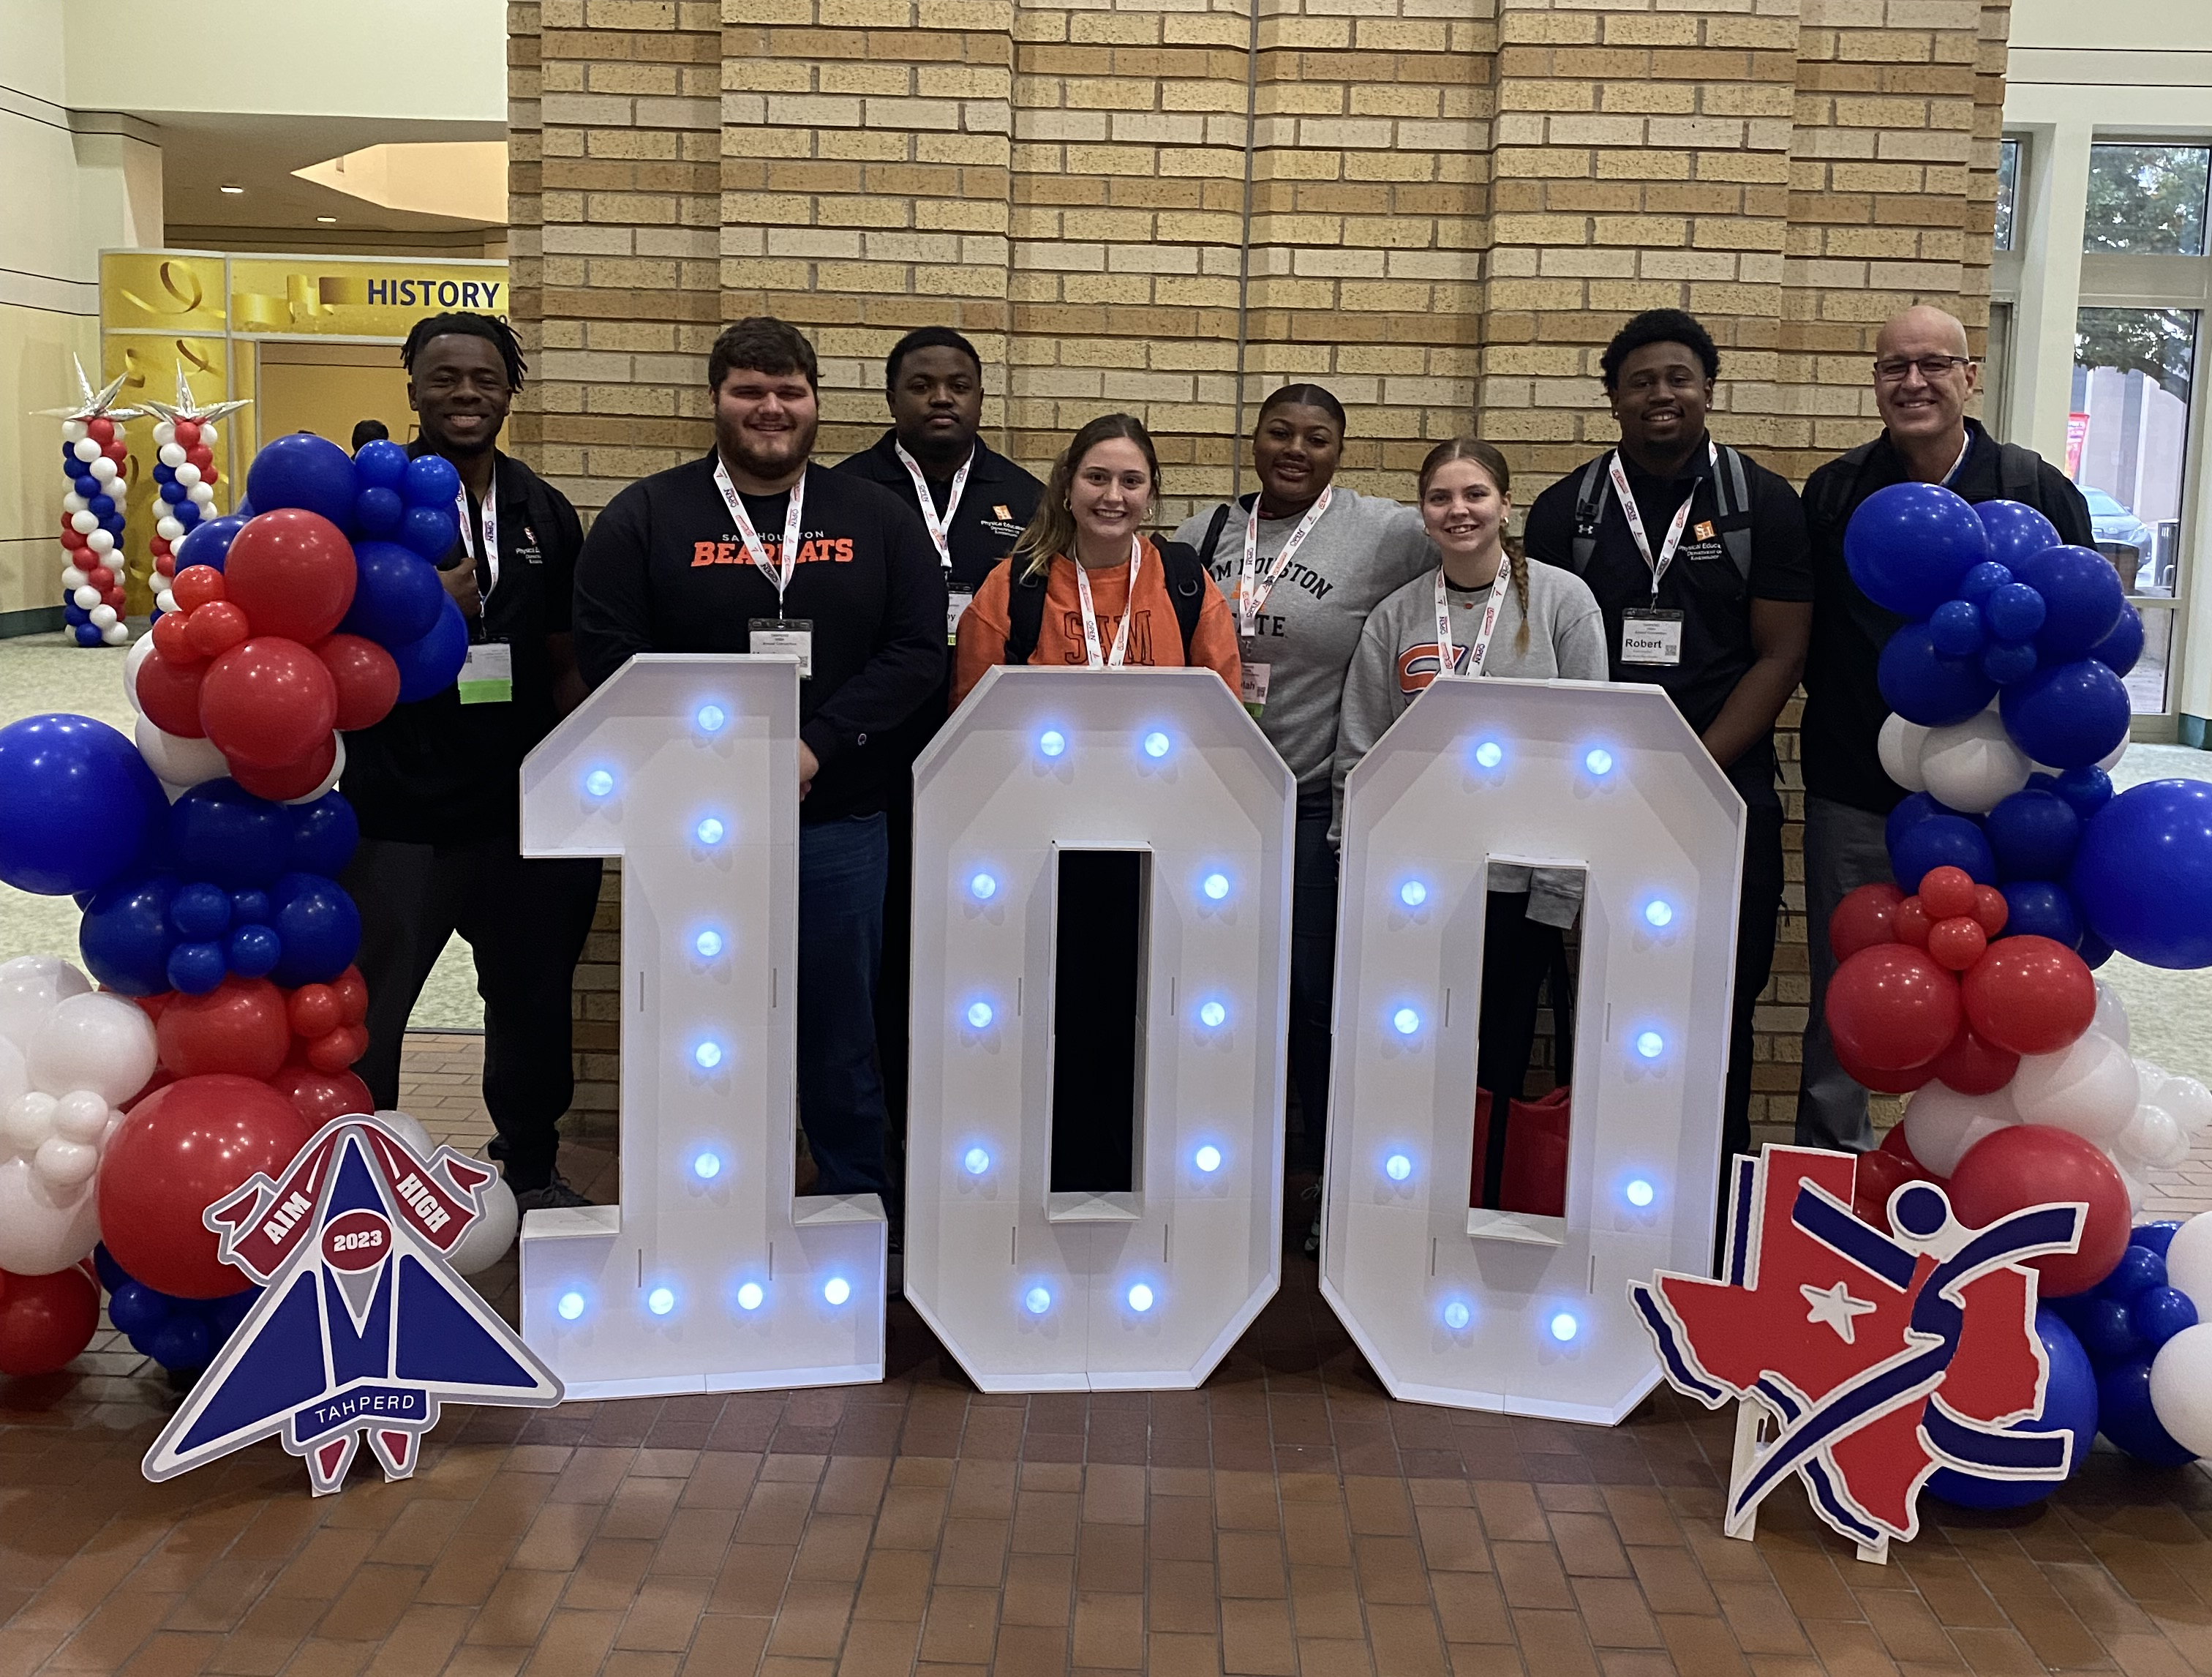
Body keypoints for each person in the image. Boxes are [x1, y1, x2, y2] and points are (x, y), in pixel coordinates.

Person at [572, 317, 945, 1201]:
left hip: (838, 825)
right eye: (749, 390)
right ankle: (698, 1204)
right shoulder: (647, 516)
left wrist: (815, 747)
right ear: (716, 400)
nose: (771, 408)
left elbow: (916, 652)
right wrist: (720, 757)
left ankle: (855, 1202)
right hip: (692, 825)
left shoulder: (877, 518)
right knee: (695, 1021)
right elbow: (609, 655)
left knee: (841, 1034)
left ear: (816, 402)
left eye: (789, 391)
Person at [1795, 304, 2094, 1152]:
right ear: (1875, 381)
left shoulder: (2035, 490)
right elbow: (1809, 640)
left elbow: (2082, 641)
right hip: (1859, 791)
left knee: (2010, 1002)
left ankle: (1998, 1171)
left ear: (1971, 376)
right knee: (1848, 997)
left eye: (1933, 364)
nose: (1913, 382)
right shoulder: (1836, 494)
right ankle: (1828, 1174)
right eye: (1895, 366)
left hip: (2004, 808)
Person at [1524, 309, 1813, 1173]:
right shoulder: (1566, 511)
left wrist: (1691, 769)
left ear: (1708, 390)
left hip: (1724, 791)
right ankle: (1598, 1181)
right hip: (1598, 794)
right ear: (1613, 397)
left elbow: (1782, 653)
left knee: (1720, 998)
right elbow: (1545, 662)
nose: (1662, 394)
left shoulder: (1763, 504)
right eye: (1641, 380)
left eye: (1679, 378)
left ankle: (1713, 1190)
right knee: (1604, 996)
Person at [340, 312, 602, 1212]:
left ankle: (529, 1167)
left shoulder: (542, 509)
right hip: (397, 813)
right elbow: (326, 650)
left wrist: (584, 773)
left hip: (520, 813)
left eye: (485, 378)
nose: (465, 394)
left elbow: (564, 657)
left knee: (532, 1006)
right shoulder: (366, 510)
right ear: (412, 389)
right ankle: (359, 1185)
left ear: (510, 392)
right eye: (444, 377)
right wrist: (413, 605)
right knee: (371, 1013)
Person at [1171, 385, 1434, 1204]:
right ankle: (1214, 1175)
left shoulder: (1384, 533)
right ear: (1253, 439)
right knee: (1209, 995)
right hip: (1210, 812)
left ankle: (1325, 1182)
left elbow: (1472, 555)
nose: (1295, 449)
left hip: (1310, 804)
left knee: (1317, 999)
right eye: (1279, 432)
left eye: (1317, 438)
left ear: (1339, 451)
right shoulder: (1201, 535)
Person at [1334, 438, 1609, 1208]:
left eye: (1475, 494)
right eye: (1441, 497)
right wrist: (1358, 870)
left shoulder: (1561, 603)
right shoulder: (1396, 616)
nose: (1459, 511)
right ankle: (1409, 1211)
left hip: (1521, 888)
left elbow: (1593, 755)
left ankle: (1481, 1209)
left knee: (1501, 1061)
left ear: (1505, 506)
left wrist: (1559, 890)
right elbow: (1361, 752)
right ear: (1423, 514)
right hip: (1418, 890)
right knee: (1414, 1059)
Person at [833, 327, 1042, 1196]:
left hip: (995, 778)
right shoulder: (844, 494)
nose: (942, 398)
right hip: (876, 767)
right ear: (893, 398)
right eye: (922, 385)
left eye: (958, 384)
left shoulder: (1028, 499)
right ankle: (883, 1151)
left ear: (981, 396)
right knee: (882, 967)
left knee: (982, 963)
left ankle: (974, 1141)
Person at [950, 412, 1240, 707]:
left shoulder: (1186, 582)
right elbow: (972, 718)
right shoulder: (1013, 585)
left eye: (1131, 481)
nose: (1113, 496)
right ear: (1068, 486)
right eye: (1097, 478)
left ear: (1150, 494)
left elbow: (1224, 716)